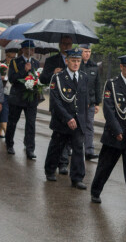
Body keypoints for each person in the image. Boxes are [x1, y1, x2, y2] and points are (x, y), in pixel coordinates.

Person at [90, 54, 126, 210]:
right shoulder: (112, 84)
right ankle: (95, 191)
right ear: (122, 67)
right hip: (114, 135)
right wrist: (117, 130)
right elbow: (109, 109)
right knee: (104, 167)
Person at [43, 47, 89, 189]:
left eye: (78, 61)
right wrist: (68, 118)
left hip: (78, 120)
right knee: (56, 146)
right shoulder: (58, 78)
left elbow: (84, 99)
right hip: (62, 120)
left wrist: (83, 119)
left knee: (78, 149)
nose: (76, 64)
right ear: (67, 61)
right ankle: (50, 170)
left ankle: (77, 178)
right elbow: (56, 101)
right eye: (73, 61)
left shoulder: (83, 77)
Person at [40, 35, 73, 175]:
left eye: (69, 44)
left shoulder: (75, 60)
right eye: (64, 44)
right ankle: (51, 167)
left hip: (71, 105)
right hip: (57, 104)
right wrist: (52, 73)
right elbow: (42, 79)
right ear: (60, 45)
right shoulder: (51, 60)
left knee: (69, 137)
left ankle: (64, 163)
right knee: (58, 137)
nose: (66, 47)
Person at [5, 40, 40, 158]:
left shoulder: (36, 62)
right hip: (17, 98)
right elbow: (11, 79)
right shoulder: (15, 62)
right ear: (24, 49)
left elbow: (38, 79)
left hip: (31, 98)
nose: (32, 51)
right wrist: (23, 71)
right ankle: (9, 144)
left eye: (33, 49)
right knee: (12, 122)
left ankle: (30, 149)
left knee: (31, 124)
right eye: (30, 48)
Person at [79, 44, 101, 161]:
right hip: (79, 102)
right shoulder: (77, 64)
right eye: (85, 51)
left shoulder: (94, 66)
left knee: (89, 126)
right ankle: (71, 149)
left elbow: (97, 85)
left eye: (89, 51)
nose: (87, 53)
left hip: (91, 103)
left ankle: (89, 151)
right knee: (76, 126)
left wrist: (97, 103)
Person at [0, 47, 18, 139]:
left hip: (12, 94)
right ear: (6, 55)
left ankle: (0, 130)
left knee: (8, 114)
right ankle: (7, 136)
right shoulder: (0, 64)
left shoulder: (17, 65)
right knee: (3, 112)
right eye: (10, 57)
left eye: (13, 57)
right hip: (2, 93)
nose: (11, 59)